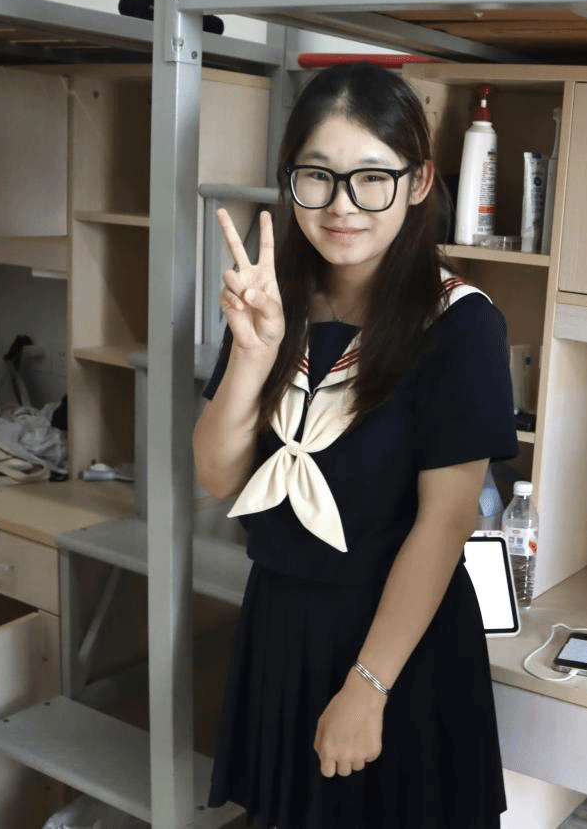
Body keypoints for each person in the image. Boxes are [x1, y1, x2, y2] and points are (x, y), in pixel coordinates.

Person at [194, 62, 517, 828]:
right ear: (291, 178)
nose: (343, 206)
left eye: (372, 178)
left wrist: (367, 688)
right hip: (281, 629)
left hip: (395, 648)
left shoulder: (460, 324)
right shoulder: (274, 303)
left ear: (418, 181)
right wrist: (252, 356)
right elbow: (217, 477)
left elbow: (445, 523)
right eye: (318, 176)